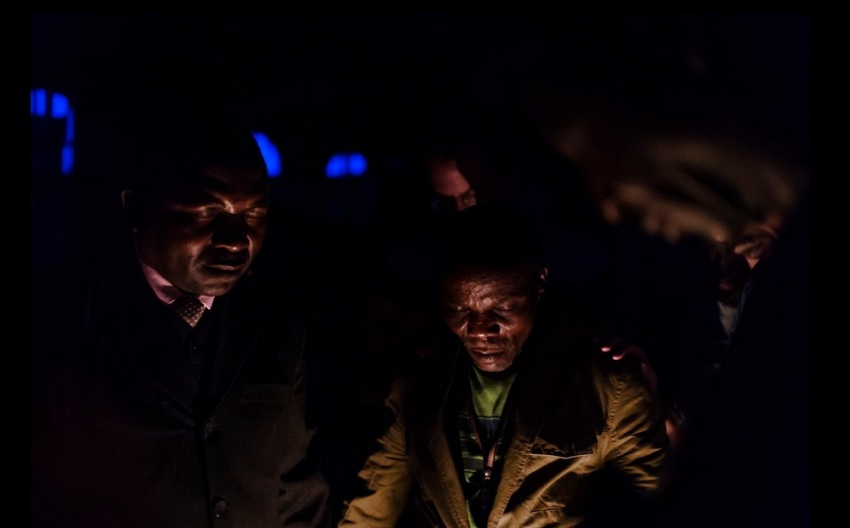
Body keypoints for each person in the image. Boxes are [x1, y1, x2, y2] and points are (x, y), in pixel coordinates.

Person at [30, 93, 331, 527]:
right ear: (135, 206)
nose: (235, 240)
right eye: (206, 213)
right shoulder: (57, 315)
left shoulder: (277, 323)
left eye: (253, 216)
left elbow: (296, 488)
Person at [337, 202, 670, 527]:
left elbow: (669, 506)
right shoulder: (419, 385)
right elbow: (371, 504)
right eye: (460, 310)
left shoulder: (606, 388)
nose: (481, 329)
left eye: (503, 308)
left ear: (539, 283)